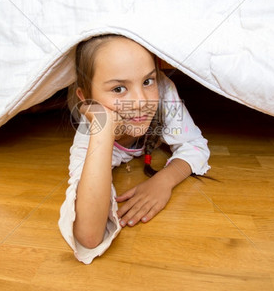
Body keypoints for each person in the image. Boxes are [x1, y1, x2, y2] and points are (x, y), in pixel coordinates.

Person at [59, 34, 210, 264]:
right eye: (118, 88)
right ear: (87, 99)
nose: (141, 101)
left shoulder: (164, 92)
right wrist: (103, 130)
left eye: (148, 81)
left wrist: (165, 180)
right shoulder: (89, 131)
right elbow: (89, 236)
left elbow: (194, 145)